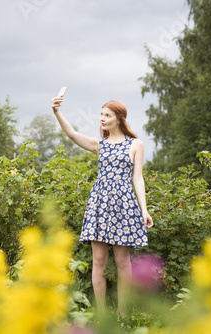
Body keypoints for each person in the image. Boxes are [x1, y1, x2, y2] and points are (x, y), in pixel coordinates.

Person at [51, 93, 154, 316]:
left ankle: (122, 315)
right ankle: (101, 316)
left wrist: (144, 210)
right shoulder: (101, 145)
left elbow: (138, 178)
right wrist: (57, 111)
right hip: (100, 205)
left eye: (107, 115)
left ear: (119, 118)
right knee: (98, 261)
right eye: (101, 114)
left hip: (124, 206)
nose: (102, 118)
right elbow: (71, 134)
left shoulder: (135, 144)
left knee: (122, 261)